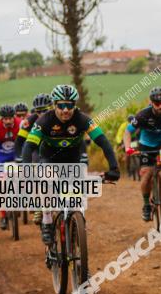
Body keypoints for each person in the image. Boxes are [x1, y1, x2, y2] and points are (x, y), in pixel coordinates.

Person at [22, 84, 120, 246]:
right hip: (49, 160)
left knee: (76, 198)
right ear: (55, 105)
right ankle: (47, 222)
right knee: (47, 182)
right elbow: (28, 146)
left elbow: (103, 142)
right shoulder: (44, 120)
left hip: (73, 161)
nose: (66, 110)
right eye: (61, 105)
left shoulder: (83, 120)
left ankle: (79, 248)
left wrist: (114, 168)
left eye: (70, 105)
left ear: (75, 105)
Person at [123, 87, 161, 221]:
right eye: (157, 103)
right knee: (146, 175)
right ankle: (146, 205)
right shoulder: (143, 115)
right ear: (151, 102)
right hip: (146, 145)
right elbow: (128, 132)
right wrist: (128, 147)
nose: (160, 106)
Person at [15, 93, 52, 162]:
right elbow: (19, 141)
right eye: (38, 111)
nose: (42, 114)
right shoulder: (30, 120)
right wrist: (19, 156)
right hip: (39, 149)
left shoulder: (60, 117)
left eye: (45, 110)